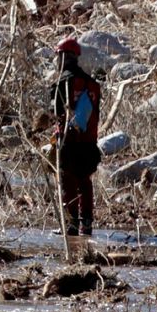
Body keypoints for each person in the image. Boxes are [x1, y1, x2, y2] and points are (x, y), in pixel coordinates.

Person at [51, 37, 103, 236]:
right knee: (85, 182)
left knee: (68, 181)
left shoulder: (63, 82)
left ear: (63, 57)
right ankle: (87, 224)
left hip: (69, 140)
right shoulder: (92, 84)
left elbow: (56, 112)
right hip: (89, 142)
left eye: (58, 57)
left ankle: (71, 225)